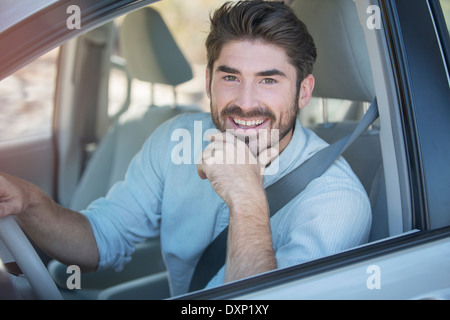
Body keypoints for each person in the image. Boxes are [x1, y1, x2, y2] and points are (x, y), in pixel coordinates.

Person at [0, 0, 371, 297]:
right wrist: (30, 202)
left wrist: (247, 199)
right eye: (230, 77)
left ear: (303, 91)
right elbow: (103, 238)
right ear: (209, 81)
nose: (245, 102)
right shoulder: (174, 139)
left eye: (268, 81)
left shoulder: (336, 200)